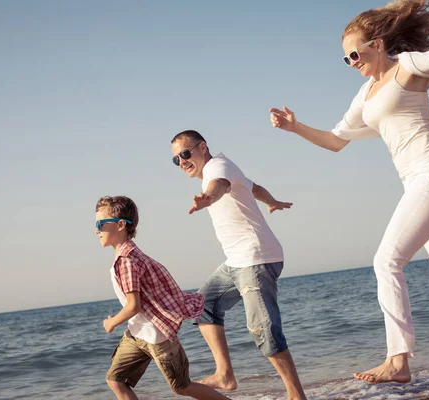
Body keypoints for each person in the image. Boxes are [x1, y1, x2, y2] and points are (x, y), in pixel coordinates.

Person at [269, 0, 429, 395]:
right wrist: (295, 127)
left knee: (386, 260)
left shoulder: (408, 67)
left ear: (377, 43)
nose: (352, 61)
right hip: (420, 182)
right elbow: (337, 141)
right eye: (345, 59)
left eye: (355, 53)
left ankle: (398, 359)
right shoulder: (366, 93)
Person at [170, 130, 307, 399]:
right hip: (237, 261)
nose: (182, 161)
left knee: (263, 330)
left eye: (185, 154)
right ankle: (224, 374)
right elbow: (253, 188)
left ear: (202, 147)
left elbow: (218, 186)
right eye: (176, 159)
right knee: (203, 304)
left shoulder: (217, 168)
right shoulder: (224, 165)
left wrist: (207, 199)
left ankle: (296, 395)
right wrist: (273, 202)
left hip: (255, 259)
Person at [94, 195, 231, 400]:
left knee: (181, 386)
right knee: (116, 380)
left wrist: (111, 322)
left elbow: (133, 306)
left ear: (121, 225)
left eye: (101, 224)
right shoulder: (128, 256)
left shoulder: (127, 261)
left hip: (156, 336)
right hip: (137, 333)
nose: (97, 230)